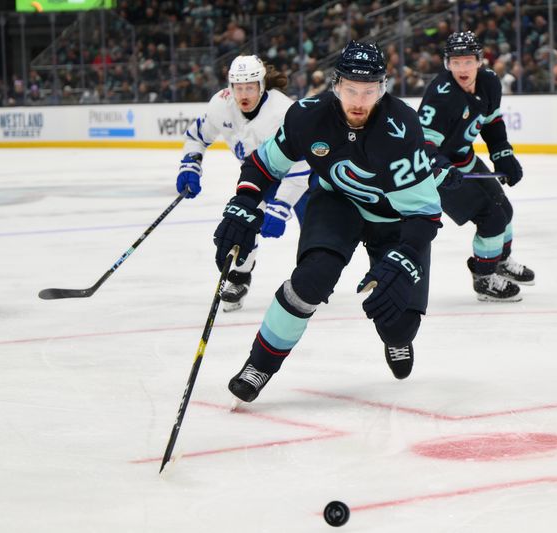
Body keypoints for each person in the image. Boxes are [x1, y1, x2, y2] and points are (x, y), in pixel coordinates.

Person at [213, 41, 444, 403]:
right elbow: (263, 165)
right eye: (351, 89)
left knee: (398, 324)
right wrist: (243, 201)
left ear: (382, 89)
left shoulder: (401, 128)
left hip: (395, 219)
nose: (359, 100)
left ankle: (397, 340)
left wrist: (406, 256)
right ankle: (259, 364)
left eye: (370, 91)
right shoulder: (307, 116)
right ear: (336, 85)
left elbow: (424, 214)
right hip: (337, 204)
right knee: (310, 279)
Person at [177, 55, 312, 311]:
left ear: (262, 86)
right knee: (241, 220)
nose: (243, 94)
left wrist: (281, 205)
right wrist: (190, 164)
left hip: (301, 176)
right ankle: (238, 279)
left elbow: (303, 162)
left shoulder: (283, 111)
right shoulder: (221, 105)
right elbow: (197, 136)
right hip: (258, 175)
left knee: (315, 230)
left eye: (250, 87)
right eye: (238, 87)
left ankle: (312, 278)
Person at [417, 31, 534, 303]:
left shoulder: (490, 83)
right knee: (490, 217)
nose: (462, 68)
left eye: (467, 61)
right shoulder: (440, 94)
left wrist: (502, 154)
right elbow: (423, 146)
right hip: (438, 172)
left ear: (479, 61)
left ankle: (500, 261)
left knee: (504, 209)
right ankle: (484, 277)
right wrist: (442, 169)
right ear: (447, 64)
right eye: (455, 62)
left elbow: (492, 122)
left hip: (465, 159)